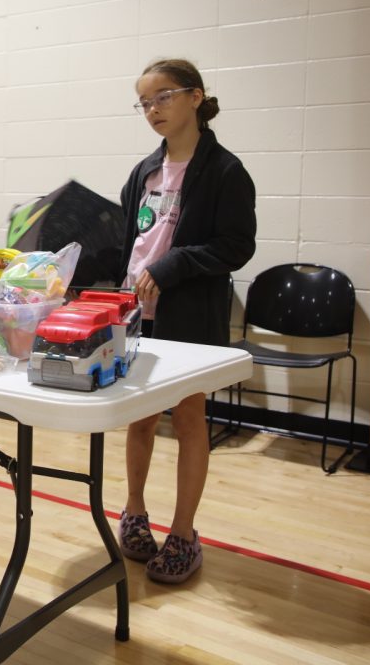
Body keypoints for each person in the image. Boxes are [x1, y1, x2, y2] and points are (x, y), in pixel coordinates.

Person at [116, 58, 256, 584]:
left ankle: (183, 533)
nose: (152, 110)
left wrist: (172, 267)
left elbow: (237, 245)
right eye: (144, 102)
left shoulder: (225, 171)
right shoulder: (144, 171)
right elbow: (129, 242)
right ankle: (133, 514)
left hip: (190, 314)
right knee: (141, 418)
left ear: (195, 97)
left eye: (163, 97)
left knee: (190, 420)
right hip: (136, 316)